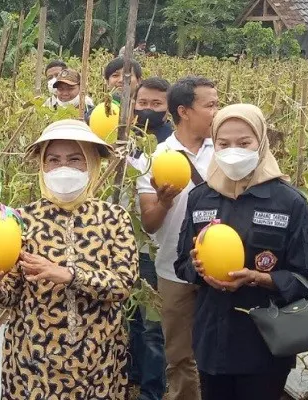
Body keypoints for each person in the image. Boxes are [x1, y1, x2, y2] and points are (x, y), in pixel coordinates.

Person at [0, 119, 138, 399]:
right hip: (34, 359)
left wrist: (70, 275)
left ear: (92, 164)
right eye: (54, 160)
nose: (64, 169)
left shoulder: (113, 218)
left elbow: (123, 284)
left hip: (97, 358)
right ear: (42, 166)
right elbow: (10, 297)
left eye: (75, 160)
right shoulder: (19, 220)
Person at [175, 104, 308, 400]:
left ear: (261, 142)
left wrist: (259, 278)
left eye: (244, 143)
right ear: (214, 144)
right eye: (224, 143)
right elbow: (182, 263)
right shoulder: (200, 197)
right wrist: (199, 269)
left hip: (265, 347)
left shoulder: (289, 202)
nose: (233, 151)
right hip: (212, 340)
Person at [136, 76, 219, 400]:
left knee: (219, 350)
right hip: (173, 268)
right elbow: (149, 224)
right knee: (179, 354)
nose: (217, 111)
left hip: (223, 268)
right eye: (210, 105)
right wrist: (165, 201)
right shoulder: (155, 158)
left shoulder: (226, 151)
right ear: (184, 111)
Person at [126, 76, 173, 400]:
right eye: (143, 103)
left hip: (159, 249)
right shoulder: (123, 143)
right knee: (134, 320)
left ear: (169, 110)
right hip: (127, 246)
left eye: (157, 104)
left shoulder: (172, 148)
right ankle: (135, 375)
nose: (149, 110)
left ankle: (152, 391)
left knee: (155, 326)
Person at [134, 77, 173, 144]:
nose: (148, 108)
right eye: (143, 103)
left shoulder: (174, 141)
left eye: (156, 104)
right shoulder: (124, 136)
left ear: (169, 107)